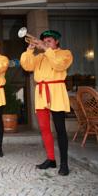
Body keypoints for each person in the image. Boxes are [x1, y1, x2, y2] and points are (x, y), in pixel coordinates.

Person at [20, 30, 73, 176]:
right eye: (45, 41)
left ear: (56, 42)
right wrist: (29, 50)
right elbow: (27, 66)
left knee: (60, 128)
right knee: (44, 128)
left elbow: (58, 66)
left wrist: (46, 49)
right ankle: (51, 159)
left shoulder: (65, 53)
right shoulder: (40, 57)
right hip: (41, 93)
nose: (46, 43)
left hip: (56, 91)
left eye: (49, 41)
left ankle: (64, 164)